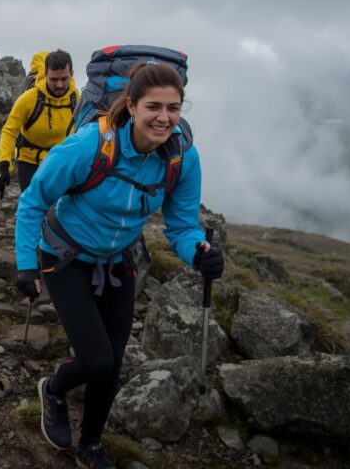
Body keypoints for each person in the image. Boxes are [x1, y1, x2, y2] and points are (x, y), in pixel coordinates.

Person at [13, 62, 224, 467]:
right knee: (96, 359)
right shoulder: (90, 145)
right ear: (131, 105)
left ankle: (90, 444)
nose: (164, 118)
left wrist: (199, 252)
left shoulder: (182, 158)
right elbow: (33, 199)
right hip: (65, 256)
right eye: (154, 107)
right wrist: (26, 265)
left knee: (113, 362)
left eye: (174, 108)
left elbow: (182, 225)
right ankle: (54, 390)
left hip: (117, 260)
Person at [0, 49, 79, 193]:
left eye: (64, 79)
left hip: (61, 162)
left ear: (72, 74)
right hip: (29, 162)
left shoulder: (76, 98)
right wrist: (5, 164)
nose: (60, 85)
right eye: (54, 79)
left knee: (59, 212)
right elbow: (9, 131)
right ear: (45, 74)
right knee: (32, 210)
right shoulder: (29, 98)